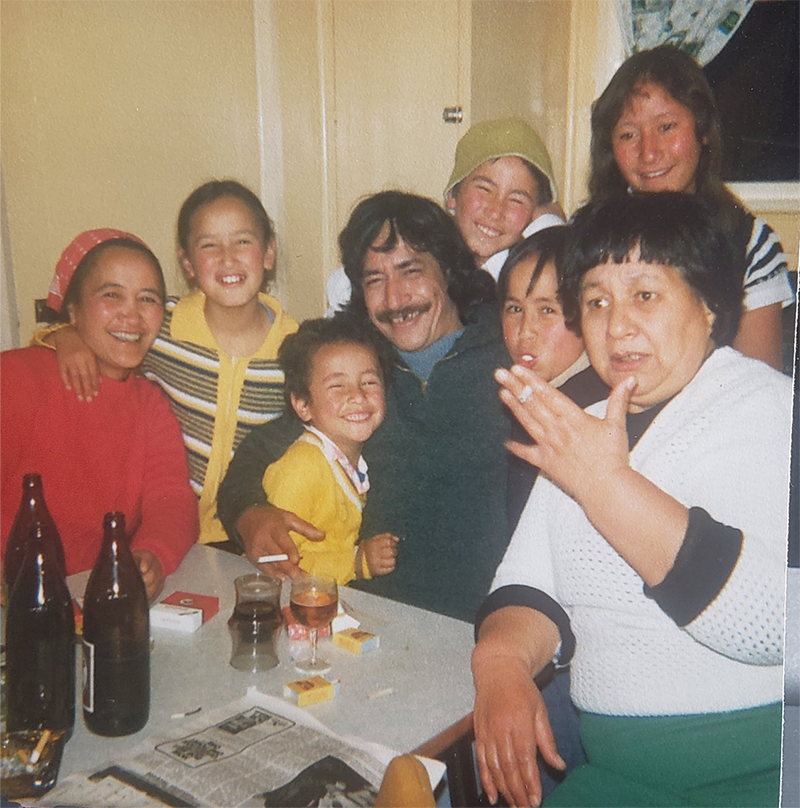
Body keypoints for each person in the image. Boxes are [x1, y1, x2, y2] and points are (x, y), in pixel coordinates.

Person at [473, 192, 789, 808]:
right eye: (596, 301)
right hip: (612, 776)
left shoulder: (764, 407)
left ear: (708, 305)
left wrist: (606, 487)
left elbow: (772, 621)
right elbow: (527, 587)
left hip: (751, 775)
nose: (616, 326)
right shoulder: (584, 426)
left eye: (645, 295)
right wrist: (500, 663)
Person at [217, 191, 509, 622]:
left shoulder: (507, 354)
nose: (395, 298)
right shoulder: (354, 369)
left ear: (447, 270)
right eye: (374, 279)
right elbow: (259, 453)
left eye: (410, 271)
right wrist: (250, 515)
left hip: (484, 623)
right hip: (369, 613)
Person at [37, 181, 299, 545]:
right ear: (188, 263)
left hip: (245, 533)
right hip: (160, 528)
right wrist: (63, 337)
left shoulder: (296, 349)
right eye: (209, 245)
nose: (227, 257)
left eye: (243, 241)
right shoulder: (160, 324)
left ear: (268, 253)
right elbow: (103, 333)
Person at [0, 230, 198, 602]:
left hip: (97, 604)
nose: (131, 314)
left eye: (148, 299)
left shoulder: (151, 404)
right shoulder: (17, 378)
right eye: (111, 295)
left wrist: (152, 554)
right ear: (72, 310)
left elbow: (171, 500)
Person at [589, 44, 794, 369]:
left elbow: (759, 385)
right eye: (628, 135)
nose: (649, 152)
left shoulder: (747, 242)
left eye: (666, 127)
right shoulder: (592, 239)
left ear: (702, 132)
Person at [326, 117, 564, 314]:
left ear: (533, 213)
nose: (495, 210)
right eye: (484, 189)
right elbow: (344, 287)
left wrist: (550, 223)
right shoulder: (424, 249)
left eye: (517, 200)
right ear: (452, 195)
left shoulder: (525, 272)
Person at [263, 317, 398, 584]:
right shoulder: (301, 468)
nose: (358, 396)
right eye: (337, 386)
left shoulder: (363, 456)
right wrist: (358, 561)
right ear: (303, 405)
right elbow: (277, 561)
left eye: (369, 382)